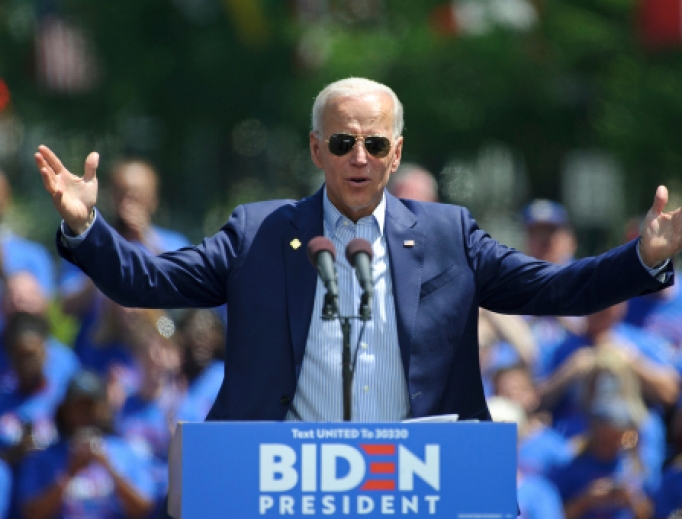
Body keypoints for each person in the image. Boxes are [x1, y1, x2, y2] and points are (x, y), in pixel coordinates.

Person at [34, 78, 680, 514]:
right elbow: (148, 282)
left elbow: (553, 288)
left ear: (396, 153)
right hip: (280, 489)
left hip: (416, 486)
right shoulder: (260, 232)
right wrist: (86, 227)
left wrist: (643, 257)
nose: (359, 156)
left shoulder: (447, 233)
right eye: (343, 142)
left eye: (374, 143)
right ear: (318, 148)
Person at [17, 370, 155, 519]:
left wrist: (108, 467)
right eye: (78, 407)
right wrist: (69, 473)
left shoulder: (125, 452)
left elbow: (144, 510)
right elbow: (31, 514)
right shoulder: (44, 457)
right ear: (65, 411)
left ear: (104, 409)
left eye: (91, 407)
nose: (85, 414)